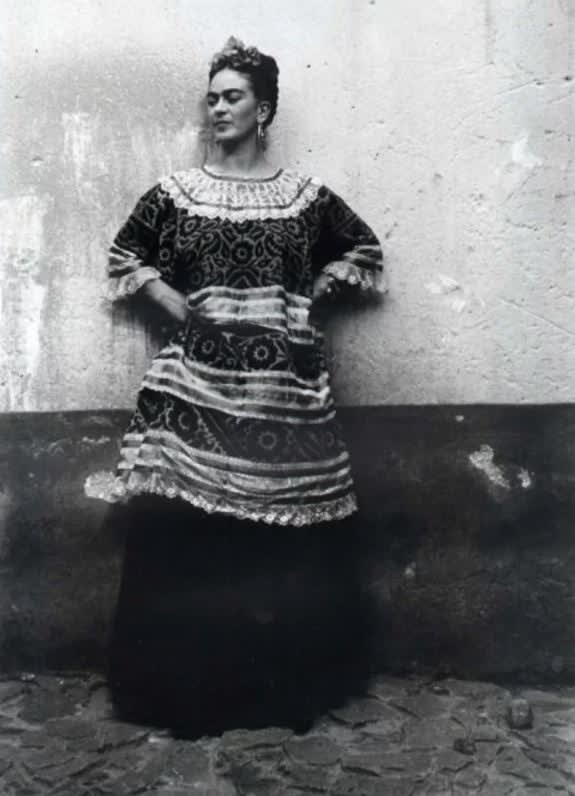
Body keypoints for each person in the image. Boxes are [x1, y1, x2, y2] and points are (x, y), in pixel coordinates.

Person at [104, 37, 384, 733]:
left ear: (263, 109)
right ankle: (187, 699)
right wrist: (174, 304)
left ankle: (275, 694)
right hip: (191, 394)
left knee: (274, 557)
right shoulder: (176, 195)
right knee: (190, 550)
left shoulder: (304, 200)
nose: (216, 106)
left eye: (231, 96)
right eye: (212, 95)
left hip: (280, 400)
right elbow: (123, 255)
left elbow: (364, 249)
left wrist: (323, 285)